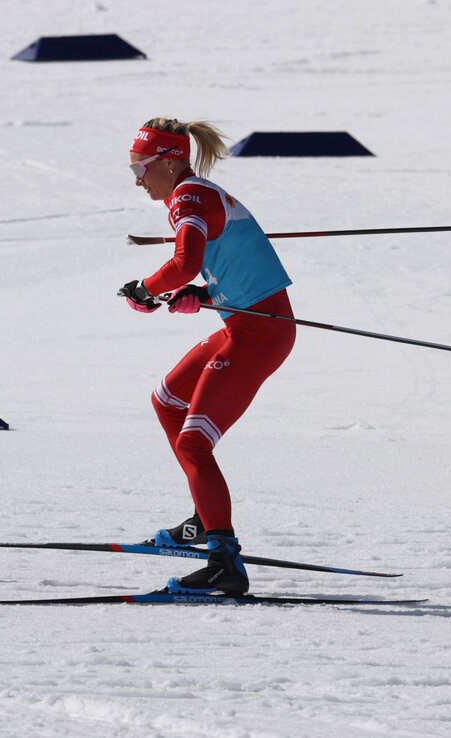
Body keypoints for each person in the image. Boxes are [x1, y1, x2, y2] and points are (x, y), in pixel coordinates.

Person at [118, 118, 295, 596]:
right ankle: (204, 517)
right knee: (166, 399)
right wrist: (203, 295)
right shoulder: (193, 194)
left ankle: (224, 561)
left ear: (171, 161)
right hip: (244, 323)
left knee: (194, 443)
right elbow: (215, 270)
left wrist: (146, 289)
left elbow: (184, 263)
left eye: (141, 167)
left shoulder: (189, 198)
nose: (137, 178)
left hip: (260, 334)